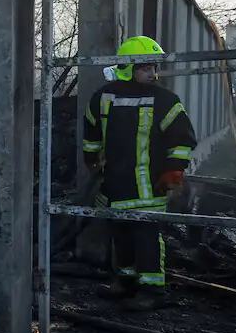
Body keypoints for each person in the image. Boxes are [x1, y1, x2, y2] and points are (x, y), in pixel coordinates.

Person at [82, 36, 197, 310]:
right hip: (115, 183)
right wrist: (92, 159)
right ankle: (126, 282)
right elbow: (92, 132)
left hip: (150, 185)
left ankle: (152, 291)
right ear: (127, 67)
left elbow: (182, 138)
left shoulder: (166, 100)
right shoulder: (103, 96)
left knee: (146, 236)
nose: (153, 74)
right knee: (120, 233)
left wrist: (174, 170)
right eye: (146, 68)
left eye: (153, 68)